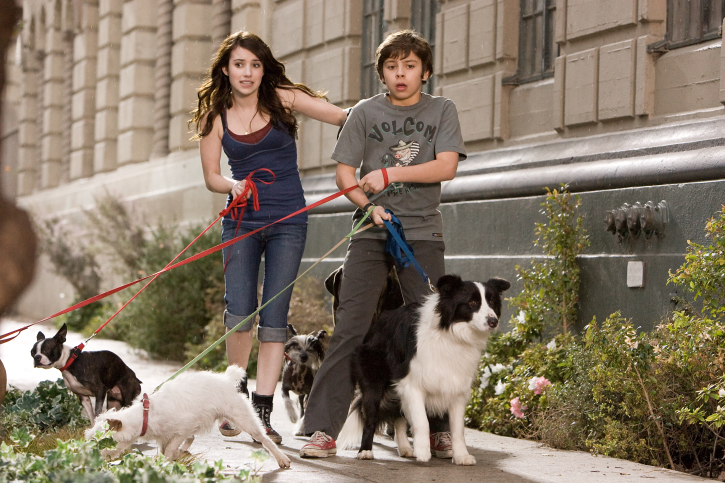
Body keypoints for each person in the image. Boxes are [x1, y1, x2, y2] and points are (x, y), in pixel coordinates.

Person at [299, 29, 467, 458]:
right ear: (382, 73)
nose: (401, 74)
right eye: (392, 67)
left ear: (425, 71)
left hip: (422, 232)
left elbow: (446, 167)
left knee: (435, 330)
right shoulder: (363, 113)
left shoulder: (442, 110)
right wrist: (367, 205)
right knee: (351, 327)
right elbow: (344, 175)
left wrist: (391, 175)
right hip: (371, 230)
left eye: (410, 66)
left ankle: (439, 430)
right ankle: (322, 429)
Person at [189, 31, 347, 444]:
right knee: (240, 313)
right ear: (226, 68)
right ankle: (234, 398)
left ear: (263, 69)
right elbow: (210, 176)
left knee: (274, 318)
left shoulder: (282, 97)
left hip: (289, 220)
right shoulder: (215, 116)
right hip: (241, 221)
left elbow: (339, 116)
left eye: (255, 65)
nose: (247, 72)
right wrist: (231, 184)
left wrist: (384, 117)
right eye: (239, 64)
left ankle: (262, 412)